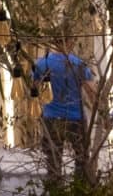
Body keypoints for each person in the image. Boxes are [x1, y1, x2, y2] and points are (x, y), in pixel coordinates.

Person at [33, 44, 91, 175]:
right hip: (76, 118)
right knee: (82, 159)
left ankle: (55, 192)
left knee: (53, 161)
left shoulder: (42, 63)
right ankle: (80, 191)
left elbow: (34, 89)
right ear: (71, 40)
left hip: (51, 118)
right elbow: (90, 91)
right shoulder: (79, 64)